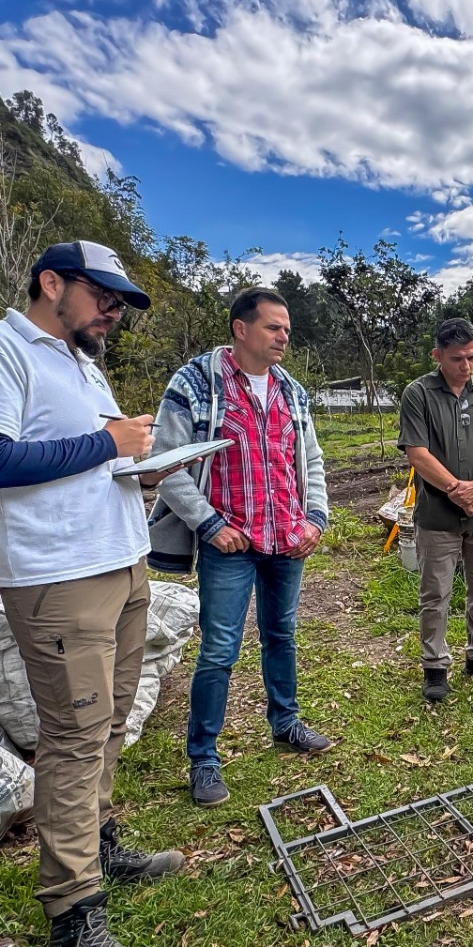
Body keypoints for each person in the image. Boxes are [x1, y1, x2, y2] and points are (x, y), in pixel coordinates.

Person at [0, 240, 184, 947]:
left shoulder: (82, 365)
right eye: (102, 296)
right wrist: (107, 442)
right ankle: (72, 923)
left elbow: (90, 460)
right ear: (51, 283)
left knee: (108, 721)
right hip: (57, 577)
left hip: (121, 562)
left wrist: (141, 463)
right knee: (74, 736)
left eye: (120, 302)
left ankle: (99, 845)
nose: (113, 311)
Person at [148, 287, 333, 807]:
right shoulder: (196, 383)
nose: (283, 338)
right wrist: (209, 525)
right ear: (241, 328)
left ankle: (286, 722)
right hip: (230, 543)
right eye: (274, 327)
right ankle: (204, 758)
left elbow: (311, 460)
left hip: (286, 539)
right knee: (219, 650)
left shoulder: (291, 390)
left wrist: (315, 519)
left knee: (282, 634)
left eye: (287, 330)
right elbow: (166, 463)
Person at [397, 317, 473, 702]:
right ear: (438, 355)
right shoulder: (418, 394)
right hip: (437, 516)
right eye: (457, 358)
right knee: (435, 594)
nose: (466, 365)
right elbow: (417, 453)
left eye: (472, 357)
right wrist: (457, 491)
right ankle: (435, 666)